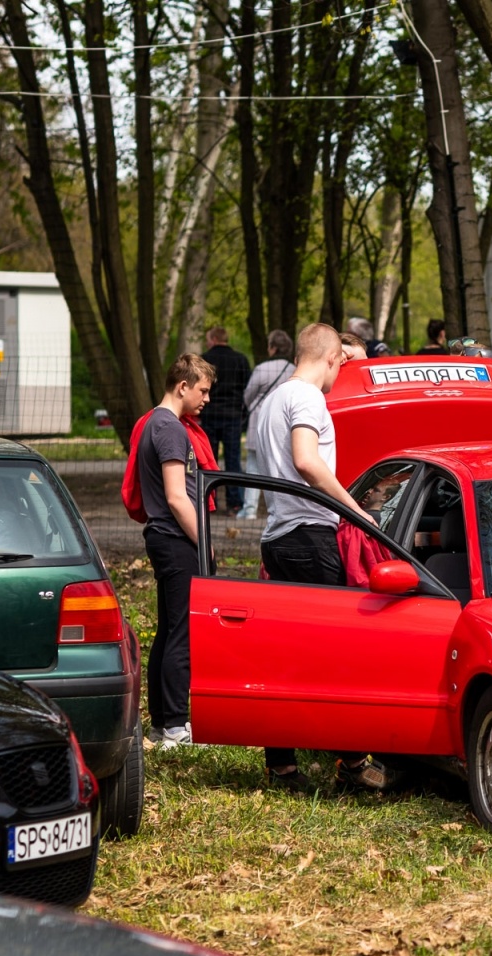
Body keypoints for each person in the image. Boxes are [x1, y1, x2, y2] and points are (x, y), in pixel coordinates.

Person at [252, 323, 370, 789]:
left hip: (277, 536)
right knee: (333, 652)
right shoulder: (307, 397)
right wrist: (354, 508)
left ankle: (282, 764)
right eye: (342, 363)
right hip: (308, 535)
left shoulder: (269, 402)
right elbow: (305, 459)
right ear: (332, 358)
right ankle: (355, 765)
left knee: (286, 653)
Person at [136, 353, 216, 748]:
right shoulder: (170, 430)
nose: (206, 399)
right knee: (181, 634)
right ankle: (174, 727)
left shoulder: (156, 422)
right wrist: (207, 545)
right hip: (174, 537)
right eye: (202, 390)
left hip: (162, 537)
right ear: (182, 386)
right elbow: (177, 497)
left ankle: (162, 723)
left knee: (169, 630)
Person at [241, 329, 296, 520]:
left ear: (272, 347)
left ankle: (249, 510)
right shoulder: (293, 370)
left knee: (253, 468)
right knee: (281, 469)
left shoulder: (261, 369)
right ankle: (283, 511)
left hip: (258, 423)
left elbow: (248, 396)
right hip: (284, 426)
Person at [198, 326, 251, 514]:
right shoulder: (240, 360)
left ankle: (208, 501)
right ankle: (234, 503)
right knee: (233, 461)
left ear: (213, 339)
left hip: (209, 414)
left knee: (207, 461)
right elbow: (248, 389)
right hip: (233, 416)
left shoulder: (204, 359)